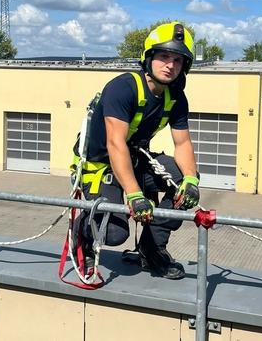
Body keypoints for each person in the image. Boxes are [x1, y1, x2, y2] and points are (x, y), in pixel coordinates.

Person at [73, 21, 200, 280]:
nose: (170, 65)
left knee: (183, 188)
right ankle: (82, 239)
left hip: (135, 159)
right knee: (114, 233)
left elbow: (183, 143)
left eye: (177, 60)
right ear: (149, 58)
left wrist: (190, 179)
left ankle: (152, 249)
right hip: (101, 165)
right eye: (164, 56)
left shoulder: (176, 98)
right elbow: (115, 143)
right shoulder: (124, 88)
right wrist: (134, 195)